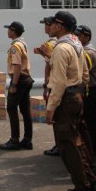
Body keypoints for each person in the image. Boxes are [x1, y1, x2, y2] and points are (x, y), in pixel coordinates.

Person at [45, 11, 96, 191]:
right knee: (78, 141)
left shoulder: (61, 48)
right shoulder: (77, 45)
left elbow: (59, 81)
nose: (49, 26)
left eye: (52, 24)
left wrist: (51, 107)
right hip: (76, 95)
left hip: (65, 99)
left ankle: (82, 189)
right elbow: (85, 74)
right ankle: (91, 183)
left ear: (59, 26)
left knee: (67, 146)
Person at [0, 21, 34, 151]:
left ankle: (14, 140)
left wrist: (14, 84)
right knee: (25, 110)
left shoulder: (15, 46)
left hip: (19, 80)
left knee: (12, 108)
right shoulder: (22, 43)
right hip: (27, 79)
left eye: (9, 29)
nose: (7, 31)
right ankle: (27, 140)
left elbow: (17, 66)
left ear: (13, 31)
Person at [75, 24, 96, 161]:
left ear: (87, 37)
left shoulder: (88, 52)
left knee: (91, 122)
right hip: (89, 90)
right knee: (88, 121)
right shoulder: (84, 51)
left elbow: (81, 71)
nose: (76, 37)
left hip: (90, 90)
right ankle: (92, 150)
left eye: (79, 35)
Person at [36, 17, 60, 157]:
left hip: (55, 85)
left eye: (46, 25)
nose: (45, 28)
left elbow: (49, 67)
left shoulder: (51, 44)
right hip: (59, 85)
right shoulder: (58, 43)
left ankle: (60, 145)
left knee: (56, 118)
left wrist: (46, 87)